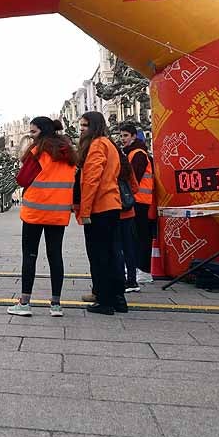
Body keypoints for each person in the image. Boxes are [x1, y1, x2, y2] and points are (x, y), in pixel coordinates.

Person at [8, 117, 76, 318]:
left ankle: (25, 302)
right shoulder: (68, 154)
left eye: (34, 132)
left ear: (43, 132)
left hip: (35, 212)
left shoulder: (38, 152)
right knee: (56, 256)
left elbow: (21, 179)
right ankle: (56, 305)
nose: (31, 135)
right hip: (58, 212)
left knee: (30, 255)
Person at [75, 111, 125, 316]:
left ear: (93, 126)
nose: (81, 130)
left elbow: (91, 180)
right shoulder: (110, 144)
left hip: (100, 206)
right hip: (112, 204)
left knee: (99, 255)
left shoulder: (96, 145)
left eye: (85, 126)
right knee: (113, 253)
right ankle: (118, 298)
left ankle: (104, 300)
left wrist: (85, 211)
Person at [119, 123, 156, 285]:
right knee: (135, 237)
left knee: (140, 236)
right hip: (138, 200)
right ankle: (137, 268)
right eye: (121, 136)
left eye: (126, 135)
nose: (123, 139)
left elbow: (133, 178)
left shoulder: (138, 154)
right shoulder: (133, 153)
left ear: (134, 136)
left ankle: (144, 270)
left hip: (140, 201)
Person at [117, 150, 140, 294]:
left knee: (116, 249)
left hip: (114, 213)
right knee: (129, 248)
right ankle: (132, 279)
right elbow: (135, 188)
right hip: (129, 212)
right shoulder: (126, 166)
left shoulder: (110, 166)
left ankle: (119, 279)